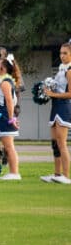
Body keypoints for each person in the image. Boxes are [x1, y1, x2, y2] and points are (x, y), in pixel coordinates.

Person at [41, 42, 71, 184]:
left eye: (65, 53)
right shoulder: (60, 69)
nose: (62, 56)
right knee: (55, 143)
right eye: (61, 53)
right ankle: (57, 174)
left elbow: (70, 94)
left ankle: (66, 176)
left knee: (62, 142)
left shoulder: (69, 70)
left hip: (64, 107)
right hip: (55, 106)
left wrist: (52, 94)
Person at [0, 55, 22, 180]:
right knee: (8, 145)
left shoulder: (5, 82)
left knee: (9, 146)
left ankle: (14, 173)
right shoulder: (4, 80)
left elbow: (10, 101)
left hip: (5, 114)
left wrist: (11, 118)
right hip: (4, 114)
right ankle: (13, 172)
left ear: (4, 69)